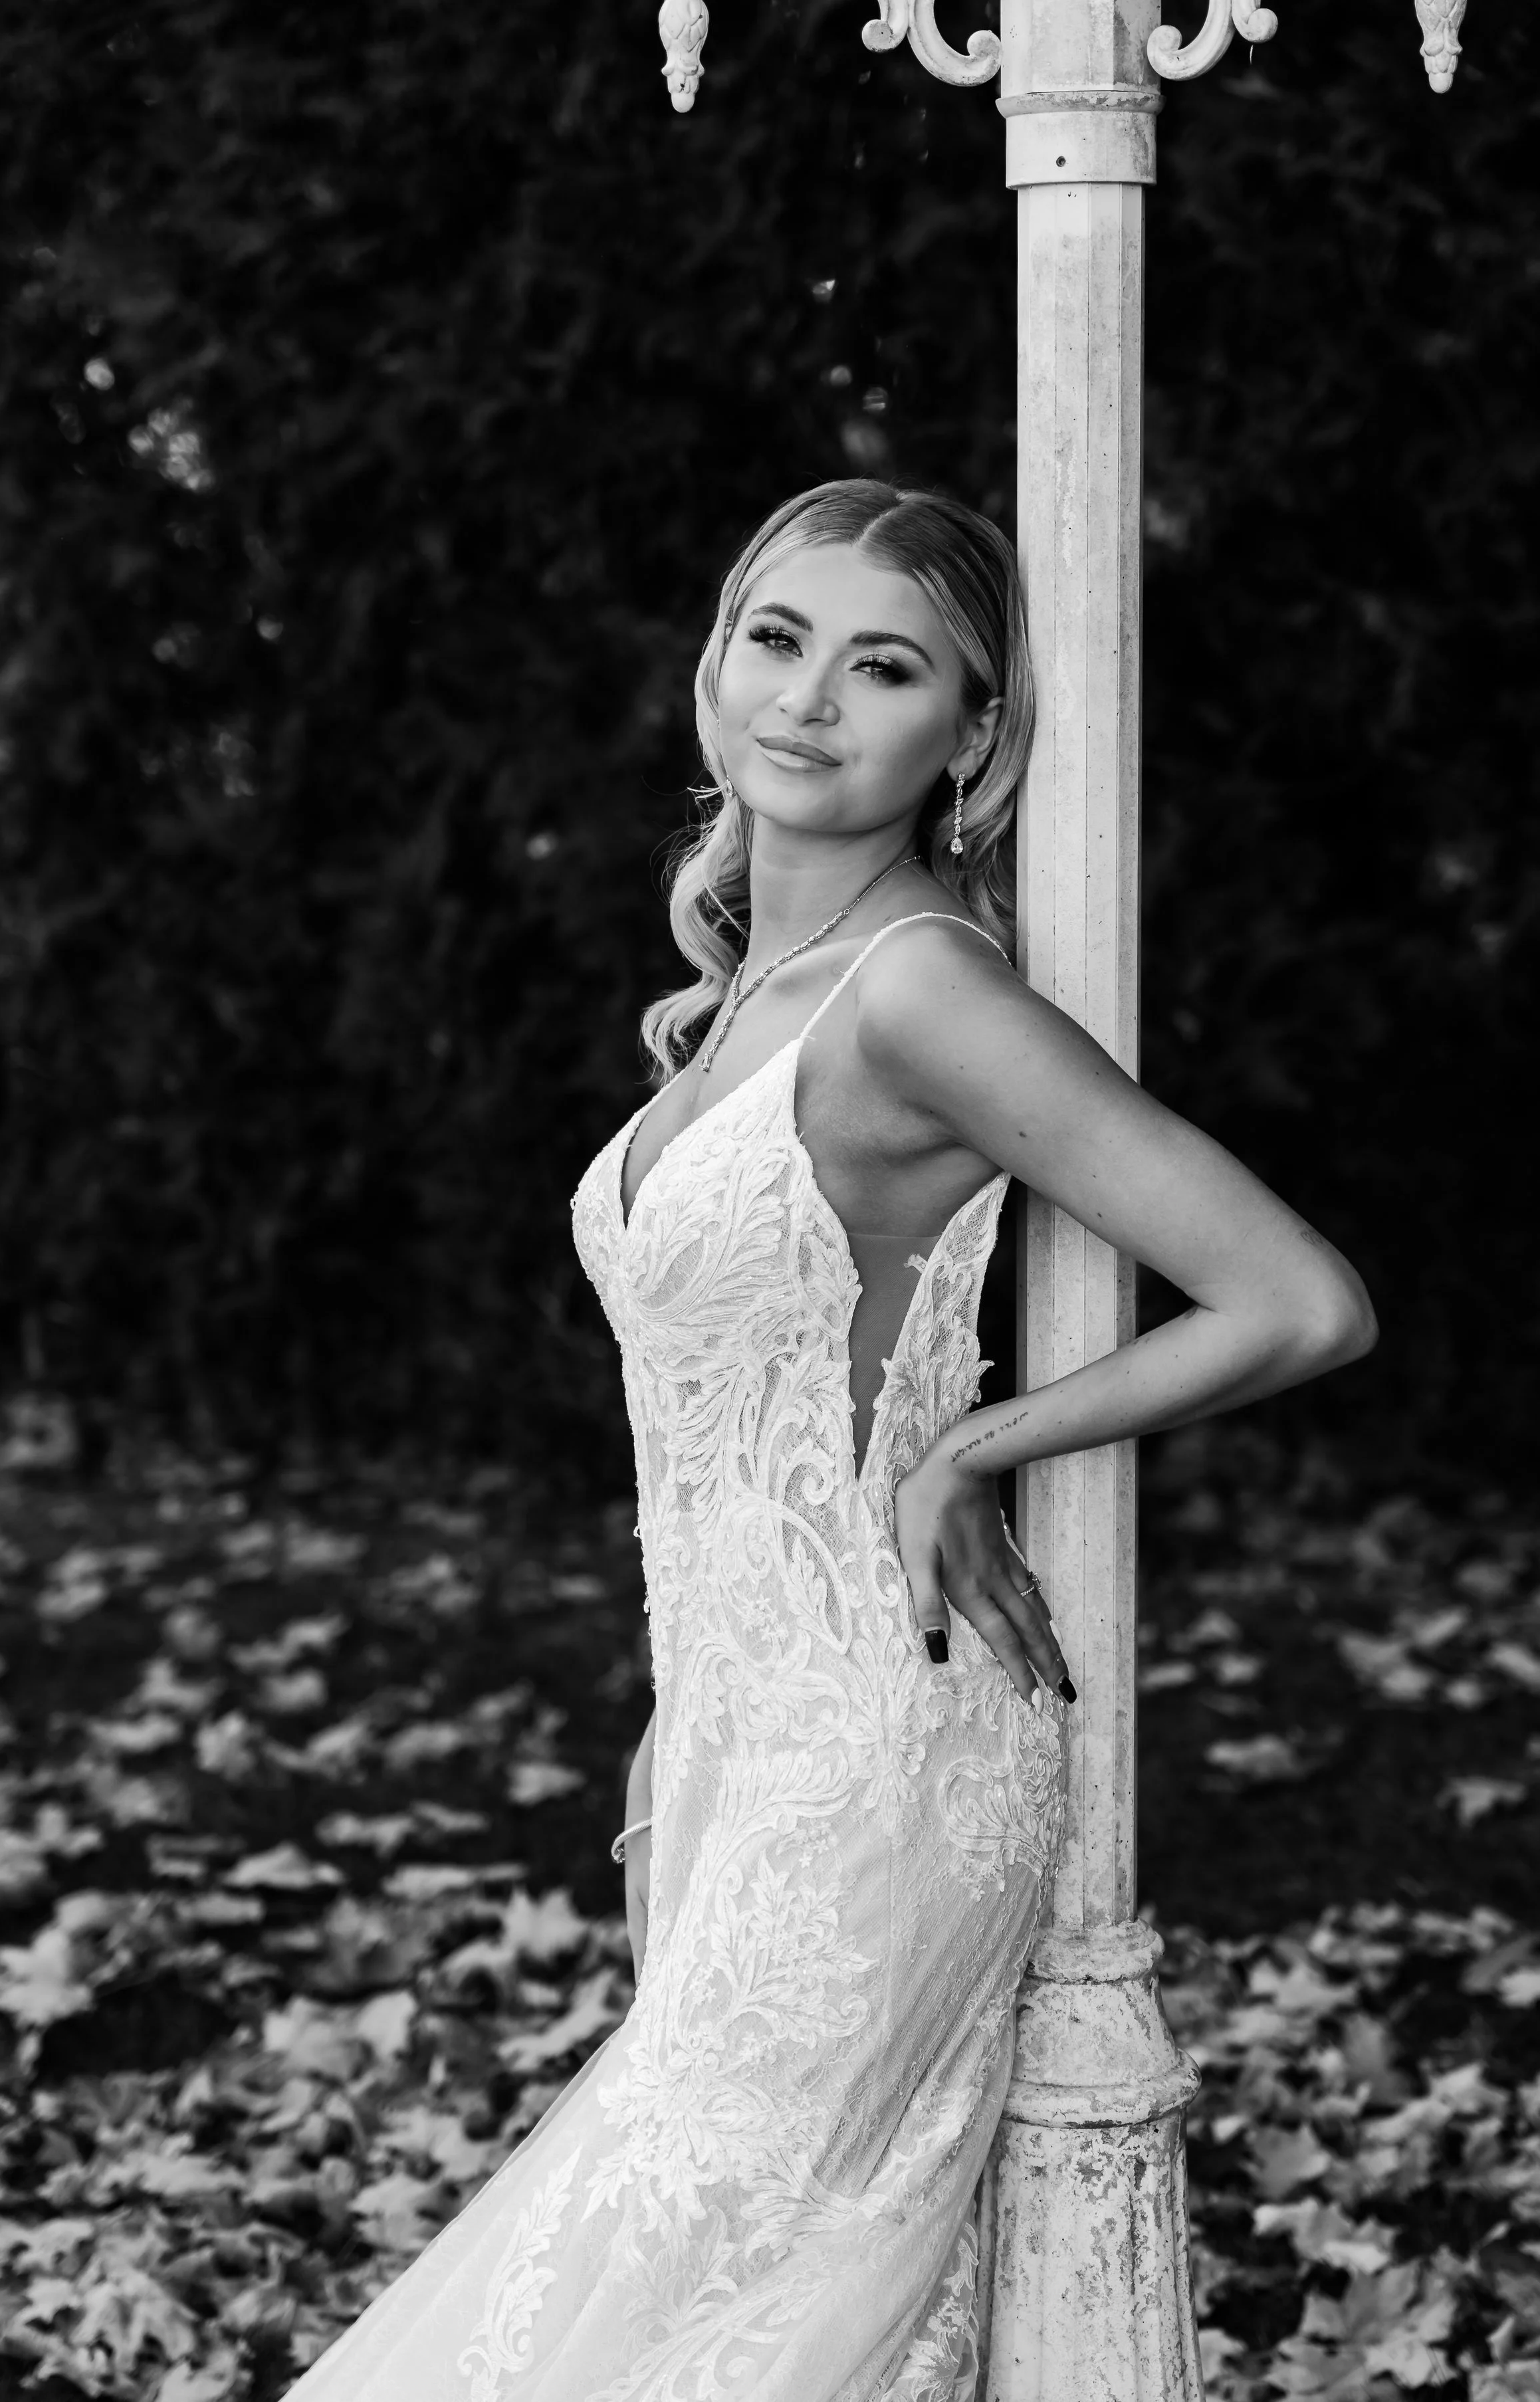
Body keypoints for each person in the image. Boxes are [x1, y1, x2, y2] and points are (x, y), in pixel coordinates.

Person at [282, 479, 1376, 2399]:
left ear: (965, 735)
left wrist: (979, 1446)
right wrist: (662, 1738)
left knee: (663, 2298)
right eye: (772, 639)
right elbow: (716, 1453)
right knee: (693, 2294)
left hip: (884, 1746)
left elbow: (1294, 1295)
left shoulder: (920, 995)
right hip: (727, 1723)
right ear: (711, 665)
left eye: (882, 667)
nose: (806, 699)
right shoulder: (730, 1005)